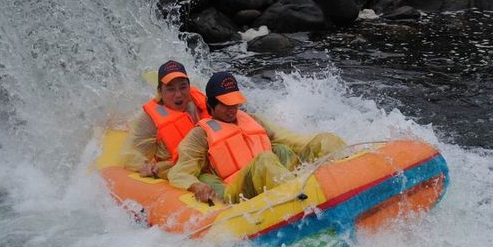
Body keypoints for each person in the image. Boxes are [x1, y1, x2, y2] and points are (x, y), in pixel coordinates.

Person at [168, 72, 346, 204]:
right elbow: (179, 172)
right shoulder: (200, 135)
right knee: (265, 159)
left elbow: (290, 139)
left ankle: (344, 179)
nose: (232, 109)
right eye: (225, 104)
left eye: (234, 102)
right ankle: (301, 199)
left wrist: (321, 146)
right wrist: (196, 186)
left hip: (276, 179)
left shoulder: (253, 120)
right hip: (240, 193)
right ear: (210, 105)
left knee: (326, 139)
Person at [121, 60, 209, 179]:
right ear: (160, 92)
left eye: (183, 87)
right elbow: (131, 154)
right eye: (170, 89)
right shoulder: (149, 119)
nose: (178, 94)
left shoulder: (200, 104)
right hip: (178, 171)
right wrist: (143, 166)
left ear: (189, 86)